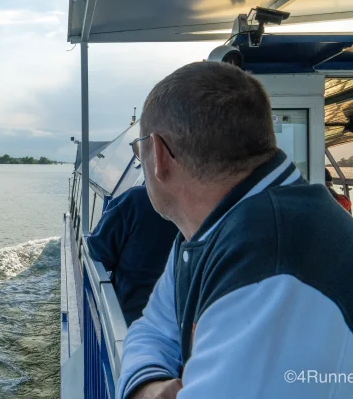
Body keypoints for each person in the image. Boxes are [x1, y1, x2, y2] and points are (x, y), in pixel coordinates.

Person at [118, 61, 353, 399]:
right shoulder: (212, 230)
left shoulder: (270, 267)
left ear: (157, 154)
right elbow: (154, 328)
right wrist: (147, 386)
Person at [86, 184, 178, 326]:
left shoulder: (137, 198)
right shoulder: (209, 204)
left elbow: (99, 252)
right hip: (184, 326)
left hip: (131, 318)